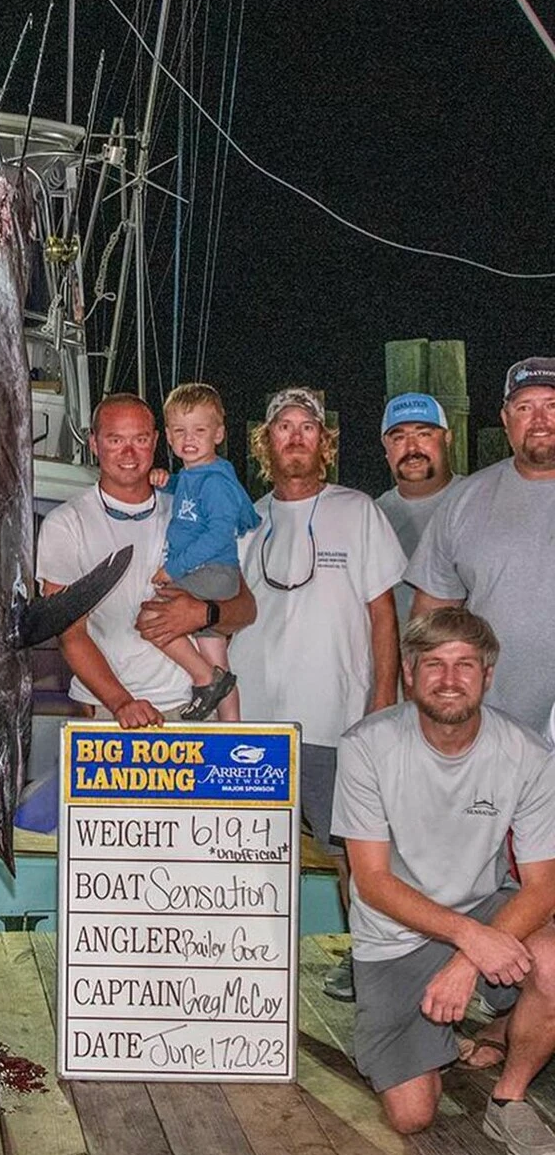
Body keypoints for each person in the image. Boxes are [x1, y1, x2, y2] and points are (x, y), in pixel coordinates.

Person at [333, 607, 555, 1155]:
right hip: (395, 933)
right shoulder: (366, 746)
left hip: (483, 909)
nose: (450, 679)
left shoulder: (529, 753)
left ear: (488, 675)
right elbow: (373, 882)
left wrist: (467, 957)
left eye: (465, 665)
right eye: (433, 664)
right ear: (409, 674)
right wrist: (470, 940)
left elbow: (542, 888)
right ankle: (448, 1031)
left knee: (553, 962)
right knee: (412, 1115)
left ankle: (509, 1097)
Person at [230, 386, 404, 1003]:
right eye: (284, 426)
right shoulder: (244, 519)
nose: (296, 436)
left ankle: (368, 959)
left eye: (308, 426)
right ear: (265, 443)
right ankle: (247, 959)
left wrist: (382, 705)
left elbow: (383, 615)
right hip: (254, 725)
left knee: (351, 852)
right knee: (251, 849)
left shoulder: (358, 511)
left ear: (325, 442)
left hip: (336, 721)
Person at [37, 393, 255, 729]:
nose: (128, 453)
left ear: (155, 441)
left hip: (192, 707)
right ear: (94, 443)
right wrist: (121, 702)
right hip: (111, 712)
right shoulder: (65, 524)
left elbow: (245, 608)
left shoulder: (188, 509)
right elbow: (70, 634)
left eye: (139, 440)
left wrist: (204, 614)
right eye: (115, 440)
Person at [408, 358, 555, 736]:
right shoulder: (465, 500)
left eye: (552, 406)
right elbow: (430, 622)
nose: (540, 421)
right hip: (492, 726)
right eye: (525, 408)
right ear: (506, 419)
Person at [150, 382, 259, 721]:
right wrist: (166, 481)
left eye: (199, 430)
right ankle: (231, 728)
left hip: (211, 573)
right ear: (168, 436)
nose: (189, 439)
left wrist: (173, 569)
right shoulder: (194, 475)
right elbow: (184, 489)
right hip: (211, 573)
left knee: (152, 618)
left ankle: (205, 680)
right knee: (218, 660)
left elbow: (218, 534)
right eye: (179, 431)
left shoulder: (215, 483)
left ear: (218, 434)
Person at [374, 393, 464, 625]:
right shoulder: (372, 518)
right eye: (398, 438)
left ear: (448, 438)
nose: (412, 448)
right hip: (397, 647)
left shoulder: (477, 500)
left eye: (424, 434)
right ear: (385, 447)